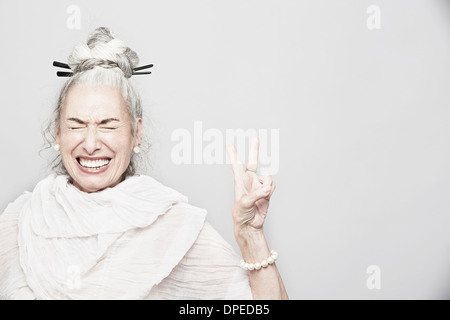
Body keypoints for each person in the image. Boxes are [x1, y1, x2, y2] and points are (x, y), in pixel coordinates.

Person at [0, 27, 288, 300]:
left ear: (136, 133)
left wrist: (250, 235)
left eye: (108, 125)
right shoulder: (20, 221)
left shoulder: (171, 224)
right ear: (57, 132)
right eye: (76, 125)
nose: (90, 144)